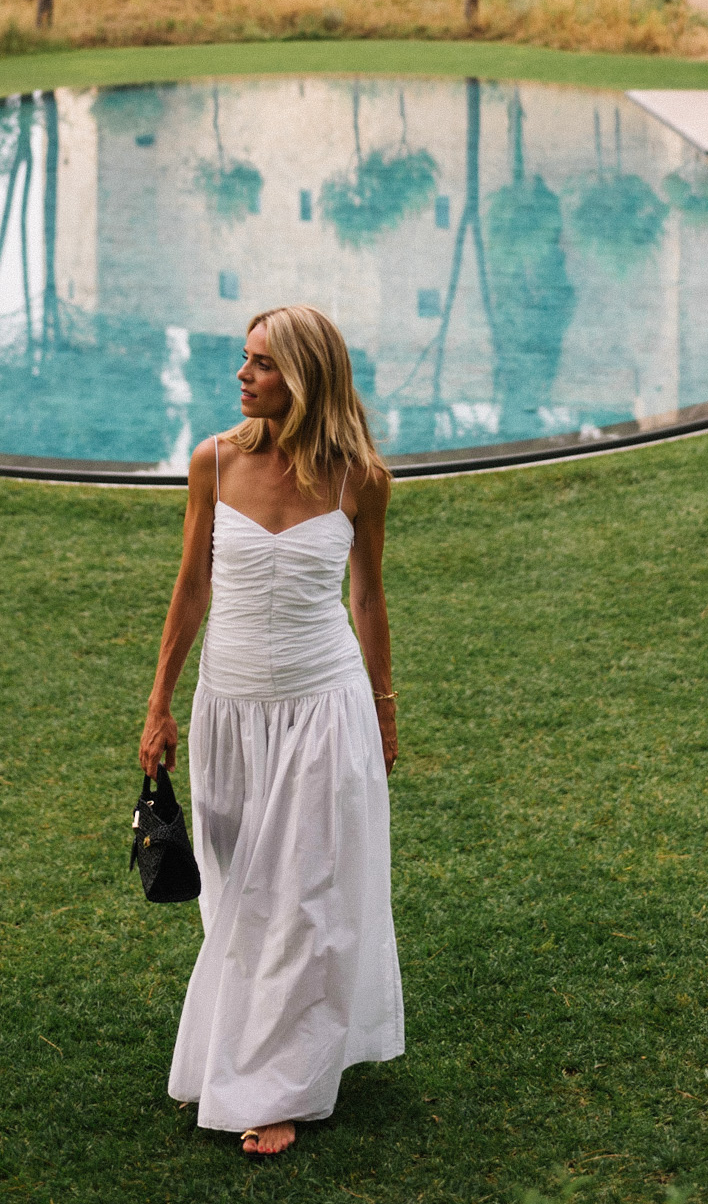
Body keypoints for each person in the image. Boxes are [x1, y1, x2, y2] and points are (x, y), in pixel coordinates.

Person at [140, 303, 403, 1156]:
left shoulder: (360, 477)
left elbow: (367, 597)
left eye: (260, 363)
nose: (242, 375)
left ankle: (279, 1090)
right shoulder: (213, 462)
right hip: (230, 708)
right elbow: (190, 589)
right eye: (243, 360)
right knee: (234, 897)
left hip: (326, 707)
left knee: (305, 901)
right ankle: (246, 1052)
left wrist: (385, 707)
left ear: (305, 377)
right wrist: (158, 706)